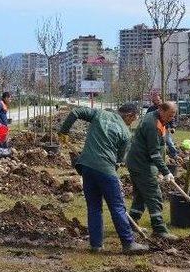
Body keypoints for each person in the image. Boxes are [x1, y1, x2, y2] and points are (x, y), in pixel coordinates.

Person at [60, 103, 148, 254]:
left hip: (86, 167)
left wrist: (64, 131)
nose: (132, 122)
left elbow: (76, 111)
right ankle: (128, 243)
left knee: (94, 207)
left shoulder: (99, 114)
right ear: (129, 116)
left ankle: (96, 245)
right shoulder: (126, 133)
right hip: (106, 169)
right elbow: (119, 160)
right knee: (117, 207)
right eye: (133, 119)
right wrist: (111, 173)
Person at [126, 101, 179, 240]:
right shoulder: (152, 124)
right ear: (161, 110)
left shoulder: (156, 117)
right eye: (169, 115)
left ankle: (131, 223)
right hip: (142, 164)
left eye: (173, 115)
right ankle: (160, 230)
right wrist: (166, 171)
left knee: (141, 195)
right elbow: (154, 153)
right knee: (154, 196)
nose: (171, 118)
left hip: (137, 161)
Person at [147, 93, 178, 158]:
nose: (156, 101)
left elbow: (171, 118)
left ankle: (174, 154)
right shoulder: (151, 108)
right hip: (154, 129)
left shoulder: (166, 107)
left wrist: (173, 127)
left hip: (164, 128)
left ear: (161, 99)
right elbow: (147, 117)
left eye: (158, 100)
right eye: (155, 100)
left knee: (169, 142)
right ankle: (158, 155)